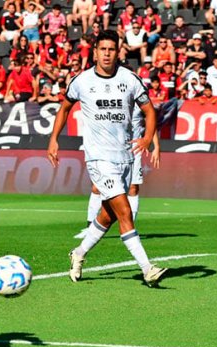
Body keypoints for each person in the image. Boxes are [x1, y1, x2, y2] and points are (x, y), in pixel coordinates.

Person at [46, 30, 167, 287]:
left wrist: (147, 138)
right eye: (102, 49)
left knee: (107, 216)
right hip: (98, 159)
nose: (107, 54)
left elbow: (149, 110)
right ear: (95, 51)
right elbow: (65, 108)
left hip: (124, 157)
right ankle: (148, 268)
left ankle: (79, 253)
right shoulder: (81, 81)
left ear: (118, 51)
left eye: (111, 49)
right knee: (125, 213)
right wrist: (54, 138)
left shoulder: (130, 79)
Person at [73, 106, 161, 241]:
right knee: (97, 187)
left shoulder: (140, 101)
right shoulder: (114, 100)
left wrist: (156, 147)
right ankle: (89, 227)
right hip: (112, 148)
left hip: (134, 149)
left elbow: (151, 121)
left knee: (133, 188)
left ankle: (129, 228)